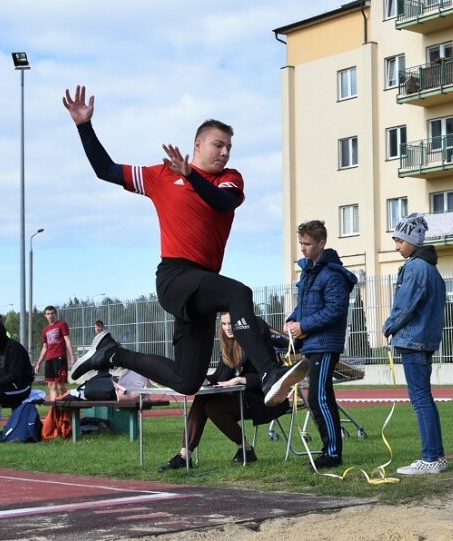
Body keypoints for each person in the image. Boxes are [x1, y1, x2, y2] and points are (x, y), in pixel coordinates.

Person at [62, 84, 309, 406]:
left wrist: (191, 175)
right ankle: (269, 372)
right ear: (198, 144)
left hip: (201, 285)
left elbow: (221, 203)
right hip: (175, 277)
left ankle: (110, 353)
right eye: (218, 145)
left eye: (229, 148)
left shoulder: (229, 179)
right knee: (239, 293)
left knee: (187, 379)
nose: (225, 153)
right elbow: (105, 170)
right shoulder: (160, 175)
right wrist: (84, 126)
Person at [159, 313, 291, 472]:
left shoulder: (257, 343)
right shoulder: (229, 344)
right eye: (224, 324)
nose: (228, 328)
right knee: (202, 398)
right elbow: (219, 377)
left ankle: (246, 449)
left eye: (231, 324)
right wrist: (203, 380)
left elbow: (273, 376)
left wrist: (241, 379)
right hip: (241, 398)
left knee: (213, 408)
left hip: (262, 400)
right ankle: (184, 455)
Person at [284, 220, 357, 469]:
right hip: (312, 344)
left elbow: (335, 310)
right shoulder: (308, 272)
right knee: (317, 397)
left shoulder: (332, 274)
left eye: (307, 244)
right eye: (301, 243)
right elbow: (304, 307)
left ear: (321, 244)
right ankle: (329, 450)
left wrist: (303, 326)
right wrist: (293, 319)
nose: (302, 248)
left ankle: (333, 453)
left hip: (326, 344)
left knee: (319, 396)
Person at [383, 213, 449, 476]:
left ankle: (431, 458)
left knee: (420, 400)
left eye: (399, 240)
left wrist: (389, 326)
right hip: (424, 339)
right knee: (425, 399)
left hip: (414, 341)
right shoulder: (431, 268)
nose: (397, 246)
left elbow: (406, 303)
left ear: (412, 239)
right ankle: (437, 456)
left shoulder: (415, 268)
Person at [34, 306, 76, 401]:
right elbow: (44, 348)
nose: (50, 315)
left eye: (52, 313)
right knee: (51, 385)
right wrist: (39, 363)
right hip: (49, 359)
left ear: (55, 314)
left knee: (59, 385)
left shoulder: (62, 324)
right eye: (48, 314)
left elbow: (68, 341)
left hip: (60, 357)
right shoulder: (45, 330)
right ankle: (55, 411)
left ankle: (71, 400)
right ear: (45, 315)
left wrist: (72, 356)